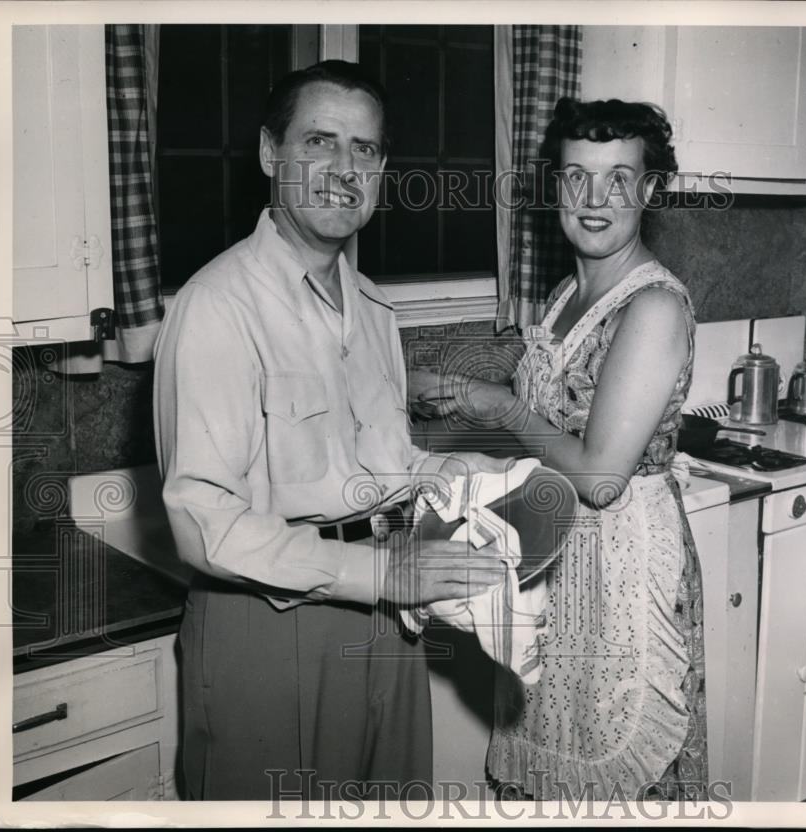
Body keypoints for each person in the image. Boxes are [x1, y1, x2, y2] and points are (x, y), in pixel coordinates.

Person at [152, 60, 505, 801]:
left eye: (366, 149)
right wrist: (379, 574)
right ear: (269, 154)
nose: (345, 168)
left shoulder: (374, 308)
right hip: (266, 625)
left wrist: (436, 473)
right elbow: (202, 523)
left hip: (386, 615)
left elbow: (371, 461)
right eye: (320, 141)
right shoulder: (217, 306)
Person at [419, 97, 706, 800]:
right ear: (555, 188)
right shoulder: (563, 296)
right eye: (577, 176)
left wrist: (498, 405)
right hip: (559, 557)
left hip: (625, 560)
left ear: (651, 189)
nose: (596, 198)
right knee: (551, 749)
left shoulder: (654, 305)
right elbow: (559, 430)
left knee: (614, 760)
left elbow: (604, 477)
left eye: (620, 177)